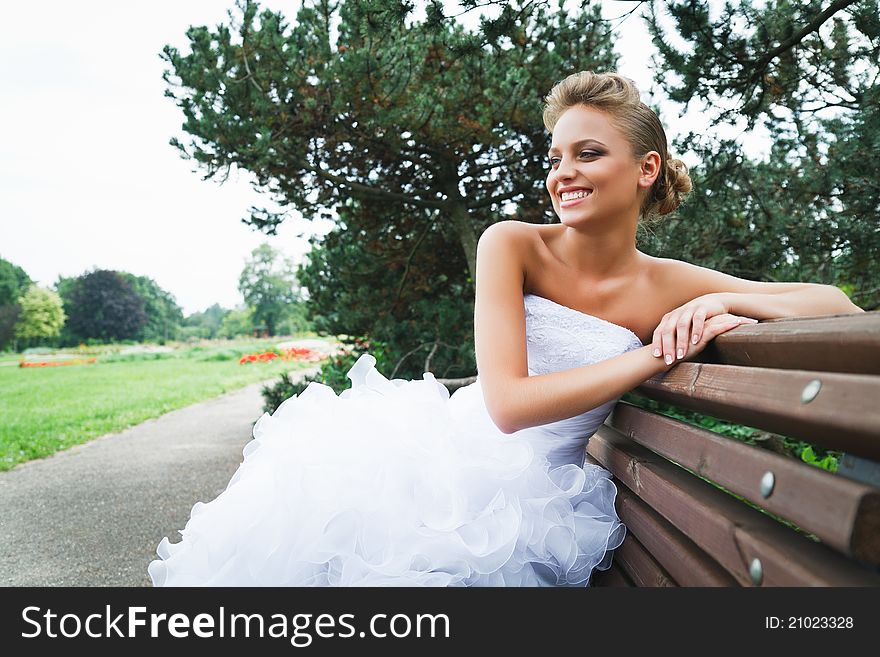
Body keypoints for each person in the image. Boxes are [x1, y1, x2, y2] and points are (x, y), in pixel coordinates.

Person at [148, 71, 863, 587]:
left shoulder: (667, 283)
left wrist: (731, 309)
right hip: (443, 463)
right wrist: (650, 354)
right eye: (556, 157)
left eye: (588, 153)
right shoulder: (513, 244)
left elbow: (834, 301)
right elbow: (509, 402)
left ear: (646, 169)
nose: (563, 172)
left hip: (535, 499)